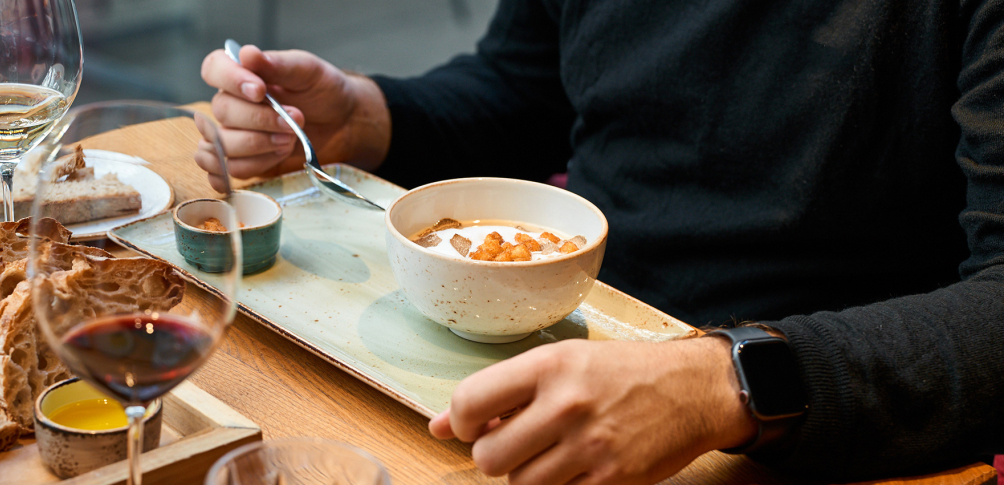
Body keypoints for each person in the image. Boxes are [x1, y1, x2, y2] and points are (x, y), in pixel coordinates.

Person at [196, 0, 1004, 483]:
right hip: (560, 349)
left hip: (817, 418)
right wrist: (371, 118)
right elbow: (528, 84)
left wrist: (722, 381)